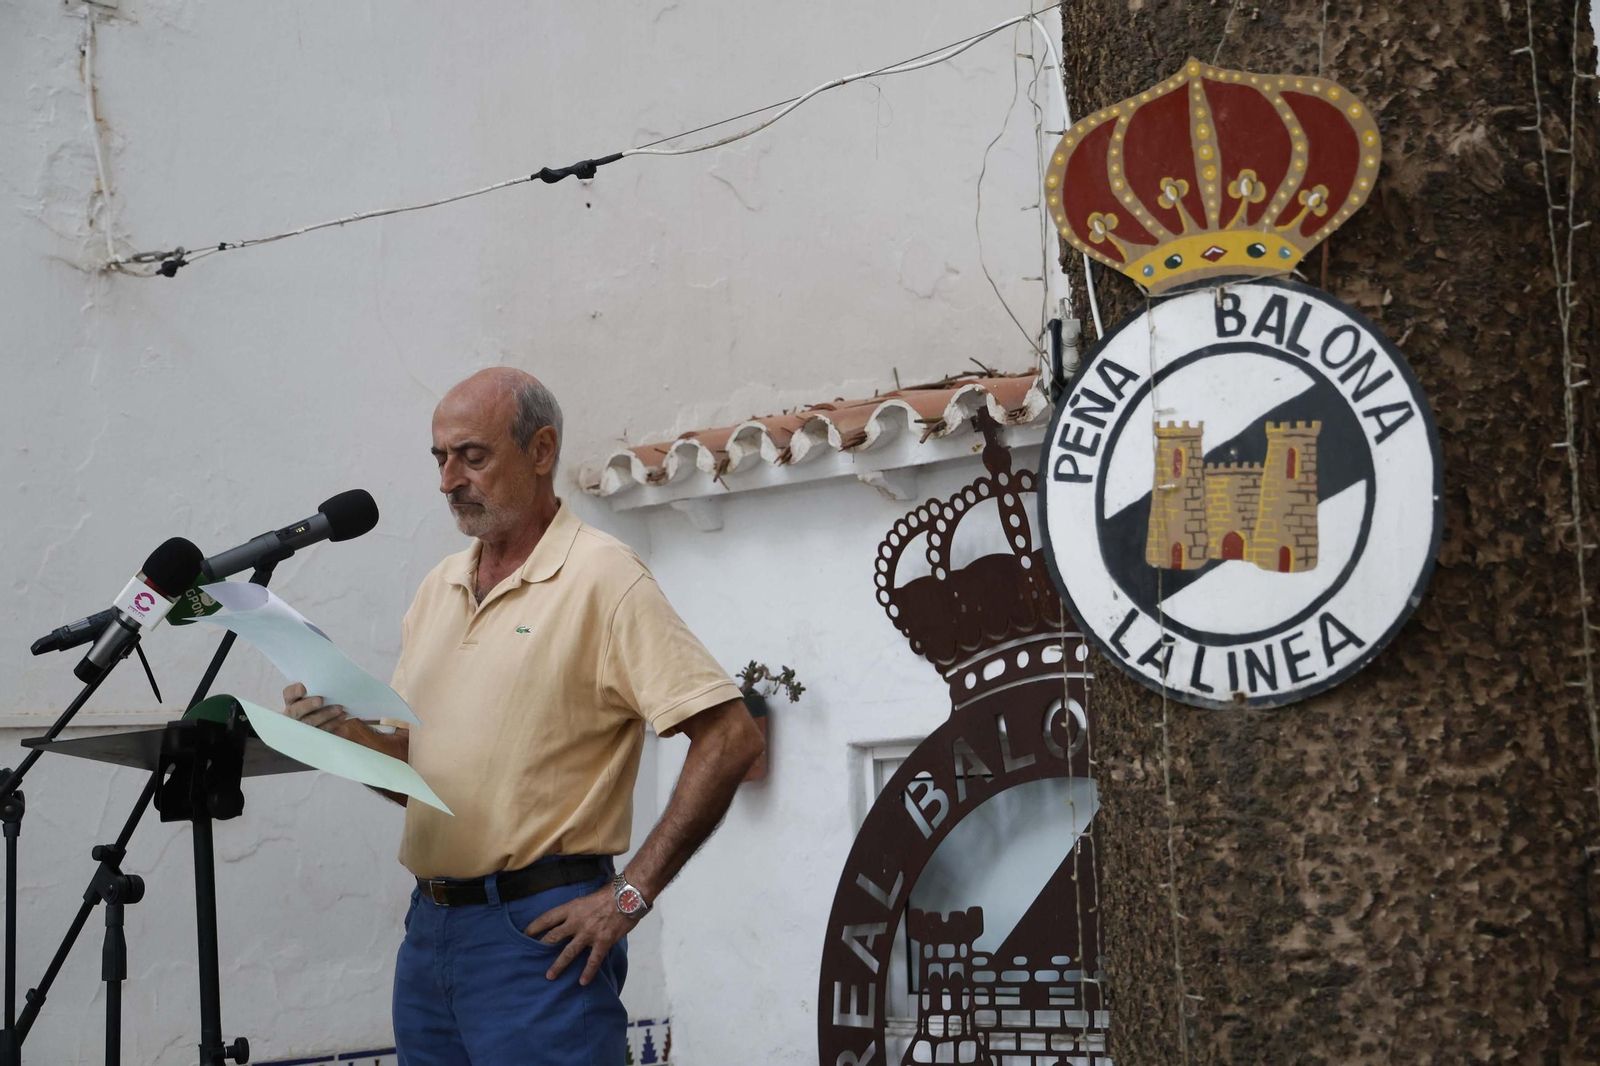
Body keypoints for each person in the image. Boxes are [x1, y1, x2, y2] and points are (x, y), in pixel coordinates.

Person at [284, 367, 764, 1065]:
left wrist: (630, 895)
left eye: (471, 456)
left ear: (540, 451)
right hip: (430, 935)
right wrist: (345, 737)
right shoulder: (437, 589)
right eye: (439, 458)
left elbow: (730, 736)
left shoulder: (604, 577)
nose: (448, 479)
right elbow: (422, 778)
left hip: (540, 934)